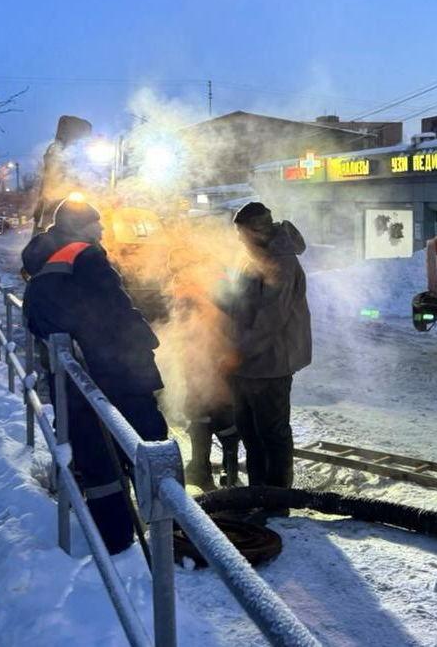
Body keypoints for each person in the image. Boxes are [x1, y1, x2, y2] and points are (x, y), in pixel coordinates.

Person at [21, 195, 168, 553]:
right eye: (97, 223)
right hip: (115, 375)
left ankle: (113, 539)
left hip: (72, 379)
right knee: (150, 445)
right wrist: (146, 345)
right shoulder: (84, 256)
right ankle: (165, 532)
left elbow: (36, 318)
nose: (102, 229)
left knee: (95, 457)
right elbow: (116, 310)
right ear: (82, 226)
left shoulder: (44, 261)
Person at [225, 202, 312, 489]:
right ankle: (257, 491)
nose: (238, 238)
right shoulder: (252, 256)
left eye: (241, 232)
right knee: (249, 430)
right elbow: (240, 302)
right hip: (247, 361)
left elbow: (271, 318)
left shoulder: (281, 261)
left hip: (271, 361)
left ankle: (276, 496)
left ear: (256, 231)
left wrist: (238, 350)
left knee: (271, 432)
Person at [167, 246, 239, 492]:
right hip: (200, 357)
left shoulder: (206, 281)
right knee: (204, 411)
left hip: (212, 357)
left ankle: (220, 471)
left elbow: (221, 321)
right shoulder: (201, 279)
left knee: (218, 412)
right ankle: (205, 468)